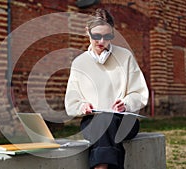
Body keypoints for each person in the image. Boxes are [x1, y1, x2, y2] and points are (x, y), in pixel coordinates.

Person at [64, 9, 149, 169]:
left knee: (106, 122)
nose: (101, 41)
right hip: (93, 121)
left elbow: (139, 93)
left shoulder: (125, 57)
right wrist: (82, 106)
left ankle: (100, 167)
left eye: (107, 36)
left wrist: (126, 103)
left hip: (124, 121)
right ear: (87, 32)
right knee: (102, 121)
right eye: (96, 36)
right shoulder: (79, 63)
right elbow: (71, 101)